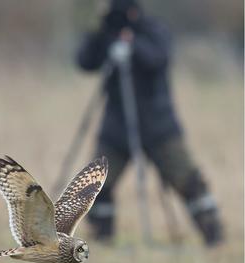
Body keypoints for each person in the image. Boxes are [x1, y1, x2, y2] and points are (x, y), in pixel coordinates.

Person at [75, 0, 224, 246]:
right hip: (117, 127)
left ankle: (213, 233)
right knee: (97, 181)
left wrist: (132, 45)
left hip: (158, 126)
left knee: (186, 179)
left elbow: (159, 57)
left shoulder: (152, 30)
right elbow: (84, 62)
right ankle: (102, 236)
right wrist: (101, 36)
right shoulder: (106, 32)